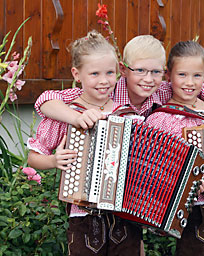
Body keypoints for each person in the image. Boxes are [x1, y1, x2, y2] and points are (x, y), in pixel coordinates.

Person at [27, 31, 142, 256]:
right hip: (84, 217)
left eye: (110, 73)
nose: (104, 81)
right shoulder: (67, 113)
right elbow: (32, 158)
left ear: (118, 72)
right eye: (94, 73)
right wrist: (53, 160)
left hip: (125, 215)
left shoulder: (129, 116)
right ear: (76, 74)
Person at [145, 41, 204, 256]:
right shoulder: (161, 119)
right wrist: (183, 182)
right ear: (169, 75)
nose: (190, 82)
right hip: (192, 210)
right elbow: (154, 169)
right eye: (182, 75)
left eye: (197, 76)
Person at [33, 35, 204, 130]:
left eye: (155, 72)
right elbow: (46, 100)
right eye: (140, 71)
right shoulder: (106, 91)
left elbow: (201, 87)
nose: (148, 80)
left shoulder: (161, 91)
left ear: (164, 74)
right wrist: (76, 118)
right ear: (123, 69)